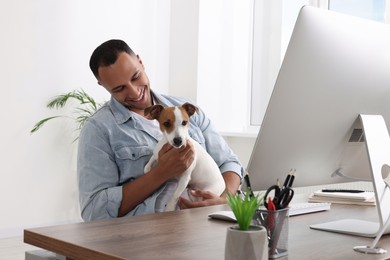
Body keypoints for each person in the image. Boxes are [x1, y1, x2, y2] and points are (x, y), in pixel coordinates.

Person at [77, 39, 243, 221]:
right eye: (119, 88)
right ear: (103, 85)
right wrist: (161, 172)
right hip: (151, 236)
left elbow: (229, 163)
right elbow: (95, 211)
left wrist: (222, 200)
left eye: (135, 77)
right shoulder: (98, 130)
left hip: (207, 225)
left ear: (140, 62)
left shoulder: (187, 110)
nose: (134, 92)